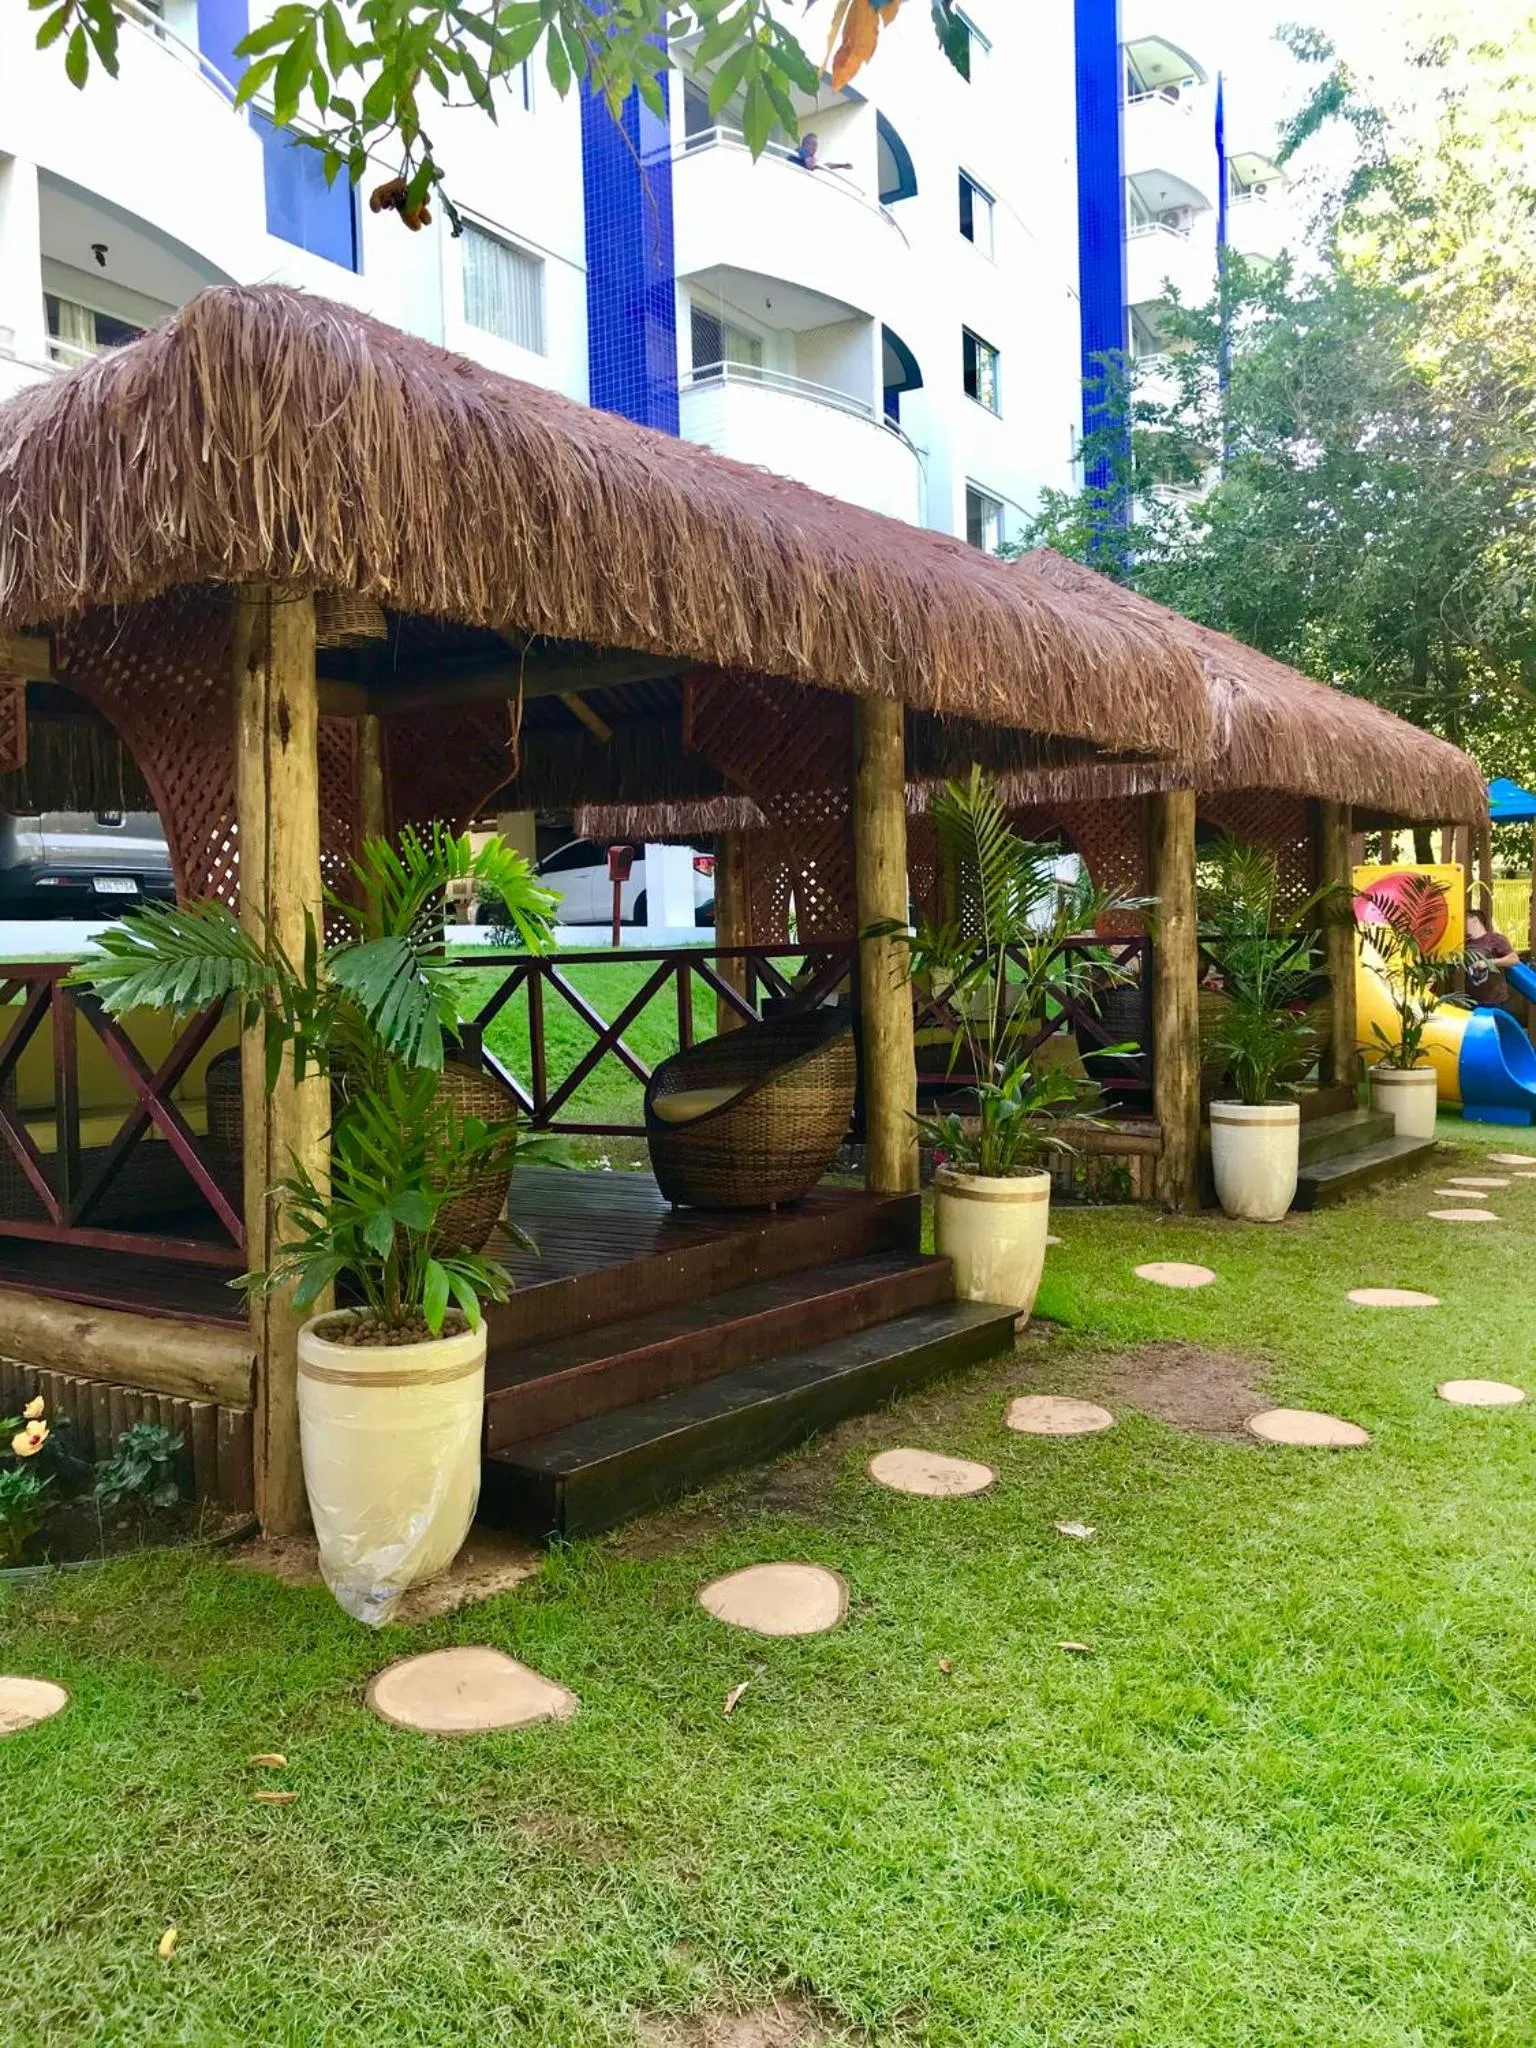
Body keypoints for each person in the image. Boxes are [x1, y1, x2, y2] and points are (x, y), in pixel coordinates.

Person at [1466, 903, 1523, 1012]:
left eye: (1465, 920)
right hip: (1473, 1002)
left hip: (1495, 1001)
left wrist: (1488, 963)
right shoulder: (1464, 943)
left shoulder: (1495, 939)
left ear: (1475, 920)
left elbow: (1514, 959)